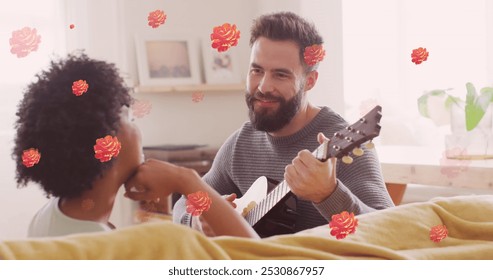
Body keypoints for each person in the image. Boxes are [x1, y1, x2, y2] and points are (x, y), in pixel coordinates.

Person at [171, 11, 394, 236]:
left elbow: (389, 232)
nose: (263, 87)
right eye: (256, 71)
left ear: (309, 81)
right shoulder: (241, 144)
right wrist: (196, 220)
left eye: (280, 75)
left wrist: (329, 194)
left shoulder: (346, 144)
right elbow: (184, 203)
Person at [13, 53, 257, 239]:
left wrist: (160, 217)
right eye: (128, 118)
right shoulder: (113, 248)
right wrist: (188, 181)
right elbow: (258, 259)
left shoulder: (49, 216)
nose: (138, 127)